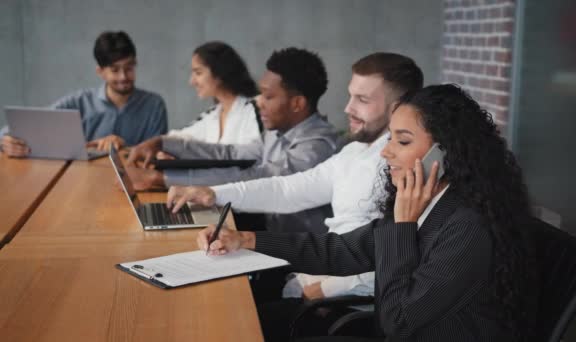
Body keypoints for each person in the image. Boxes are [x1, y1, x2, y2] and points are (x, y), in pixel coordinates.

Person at [190, 84, 538, 342]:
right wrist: (246, 239)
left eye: (402, 141)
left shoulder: (467, 225)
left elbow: (397, 322)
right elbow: (341, 250)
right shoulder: (425, 203)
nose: (386, 152)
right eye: (390, 138)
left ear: (445, 154)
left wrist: (402, 226)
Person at [167, 53, 423, 305]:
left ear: (398, 106)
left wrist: (327, 289)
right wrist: (214, 194)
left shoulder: (400, 166)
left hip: (336, 298)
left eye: (362, 100)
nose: (348, 108)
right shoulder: (355, 151)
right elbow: (288, 189)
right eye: (350, 96)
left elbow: (396, 250)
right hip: (311, 279)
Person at [126, 47, 337, 232]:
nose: (259, 102)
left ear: (297, 103)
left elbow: (259, 177)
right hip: (271, 234)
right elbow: (230, 154)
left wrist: (161, 179)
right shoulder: (276, 132)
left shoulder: (316, 147)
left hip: (299, 257)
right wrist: (163, 142)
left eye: (268, 96)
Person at [1, 31, 168, 157]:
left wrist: (124, 147)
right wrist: (4, 141)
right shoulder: (79, 102)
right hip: (81, 182)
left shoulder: (154, 105)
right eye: (115, 70)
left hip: (135, 184)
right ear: (100, 71)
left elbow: (158, 153)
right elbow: (29, 126)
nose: (123, 76)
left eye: (129, 68)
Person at [164, 41, 261, 147]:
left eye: (198, 73)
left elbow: (254, 155)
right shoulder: (211, 116)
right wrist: (161, 149)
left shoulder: (254, 110)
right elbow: (178, 138)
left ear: (220, 72)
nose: (192, 81)